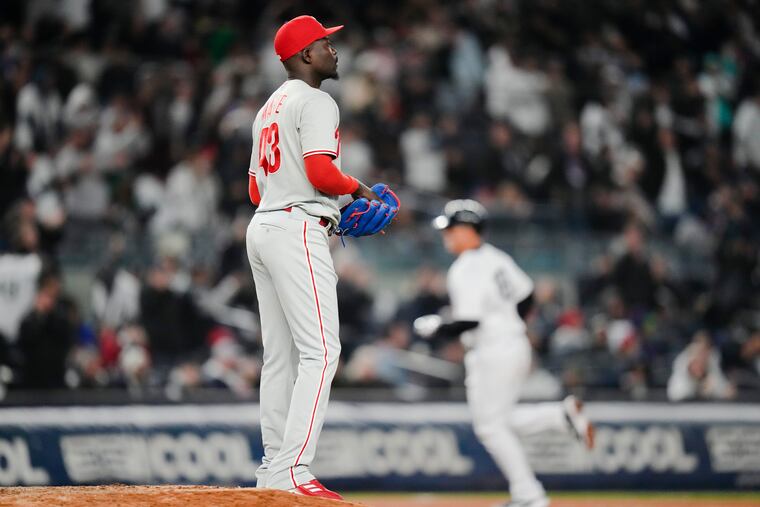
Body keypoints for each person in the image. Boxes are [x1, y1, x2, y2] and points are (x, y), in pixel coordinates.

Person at [245, 15, 386, 500]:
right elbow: (321, 172)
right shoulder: (316, 99)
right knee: (323, 352)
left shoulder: (269, 106)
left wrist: (327, 202)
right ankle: (294, 470)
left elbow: (252, 187)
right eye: (325, 43)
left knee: (279, 357)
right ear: (305, 55)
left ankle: (272, 469)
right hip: (296, 229)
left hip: (263, 224)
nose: (334, 50)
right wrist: (357, 192)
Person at [415, 199, 594, 507]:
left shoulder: (465, 267)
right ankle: (560, 416)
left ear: (470, 229)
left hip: (492, 350)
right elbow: (527, 297)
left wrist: (437, 327)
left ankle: (530, 495)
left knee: (490, 426)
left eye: (452, 228)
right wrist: (508, 322)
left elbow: (470, 320)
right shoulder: (496, 257)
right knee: (499, 421)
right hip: (513, 344)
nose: (447, 235)